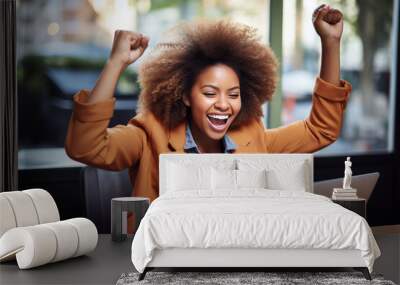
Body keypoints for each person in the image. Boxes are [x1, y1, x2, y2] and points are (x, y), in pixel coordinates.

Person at [65, 4, 351, 206]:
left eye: (234, 94)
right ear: (186, 95)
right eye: (210, 93)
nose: (224, 105)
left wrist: (331, 43)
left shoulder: (253, 136)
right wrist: (116, 63)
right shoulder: (148, 134)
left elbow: (320, 130)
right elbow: (86, 147)